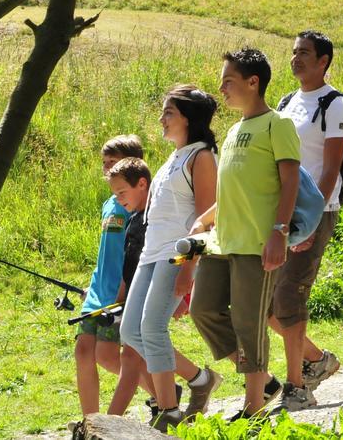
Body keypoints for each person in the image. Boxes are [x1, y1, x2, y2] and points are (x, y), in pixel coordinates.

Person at [190, 48, 301, 418]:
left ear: (253, 83)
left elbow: (290, 183)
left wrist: (279, 232)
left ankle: (253, 407)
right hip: (222, 240)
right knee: (203, 308)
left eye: (229, 81)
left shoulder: (277, 125)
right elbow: (232, 190)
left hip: (256, 242)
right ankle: (263, 377)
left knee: (249, 322)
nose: (221, 88)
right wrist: (205, 218)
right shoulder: (235, 129)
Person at [117, 86, 223, 430]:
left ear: (188, 119)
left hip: (174, 256)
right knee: (131, 331)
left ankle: (170, 412)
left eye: (169, 113)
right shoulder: (174, 156)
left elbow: (207, 219)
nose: (162, 119)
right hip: (150, 255)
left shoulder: (202, 157)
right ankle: (199, 380)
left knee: (151, 328)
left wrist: (189, 269)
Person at [268, 32, 343, 410]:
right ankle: (317, 360)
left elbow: (331, 168)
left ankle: (297, 387)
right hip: (282, 214)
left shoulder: (335, 104)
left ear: (324, 61)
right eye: (294, 51)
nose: (296, 58)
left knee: (288, 296)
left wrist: (309, 221)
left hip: (315, 213)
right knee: (265, 303)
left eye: (304, 53)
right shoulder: (286, 102)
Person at [74, 135, 145, 416]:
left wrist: (122, 286)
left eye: (113, 163)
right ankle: (89, 420)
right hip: (97, 292)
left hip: (119, 291)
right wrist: (93, 284)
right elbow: (106, 250)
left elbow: (131, 251)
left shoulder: (133, 205)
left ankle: (162, 393)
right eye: (104, 164)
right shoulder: (108, 204)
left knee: (106, 355)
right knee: (82, 353)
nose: (107, 170)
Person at [102, 156, 156, 421]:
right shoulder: (134, 217)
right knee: (133, 357)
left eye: (122, 192)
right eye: (115, 194)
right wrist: (120, 299)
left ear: (142, 183)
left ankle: (110, 422)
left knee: (131, 356)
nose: (119, 199)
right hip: (132, 297)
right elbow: (128, 264)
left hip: (149, 295)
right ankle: (168, 401)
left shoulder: (154, 217)